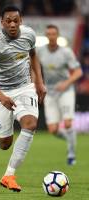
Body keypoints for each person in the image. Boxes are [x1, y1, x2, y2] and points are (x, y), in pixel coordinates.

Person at [0, 5, 46, 192]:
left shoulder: (29, 35)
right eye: (8, 21)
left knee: (30, 124)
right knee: (4, 144)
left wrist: (39, 82)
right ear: (2, 23)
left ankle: (9, 175)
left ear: (21, 21)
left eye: (15, 21)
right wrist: (2, 98)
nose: (12, 24)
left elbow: (33, 56)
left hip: (24, 88)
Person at [37, 24, 83, 165]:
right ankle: (71, 139)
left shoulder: (66, 52)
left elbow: (78, 72)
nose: (51, 36)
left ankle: (71, 154)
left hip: (65, 91)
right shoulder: (40, 52)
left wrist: (67, 82)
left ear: (57, 35)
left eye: (53, 34)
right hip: (50, 92)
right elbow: (35, 69)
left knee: (68, 123)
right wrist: (37, 83)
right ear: (46, 36)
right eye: (49, 34)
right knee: (53, 129)